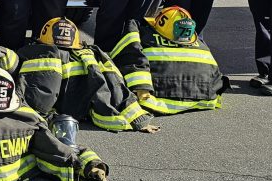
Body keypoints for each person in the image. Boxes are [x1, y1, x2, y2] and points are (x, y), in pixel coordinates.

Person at [8, 17, 159, 133]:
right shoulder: (90, 55)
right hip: (82, 112)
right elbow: (115, 84)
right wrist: (139, 120)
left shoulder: (33, 52)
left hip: (42, 115)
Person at [110, 6, 229, 115]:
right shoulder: (202, 46)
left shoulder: (145, 37)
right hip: (206, 99)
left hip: (155, 100)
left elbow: (129, 60)